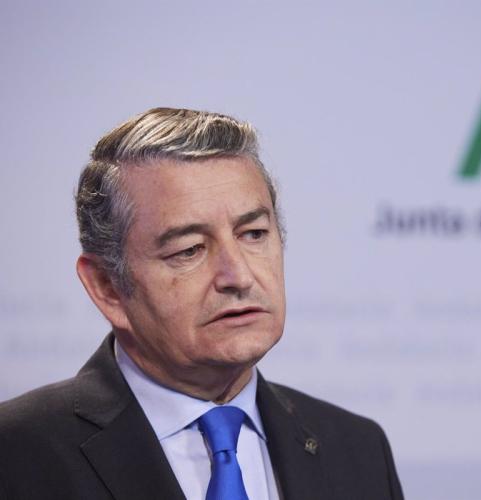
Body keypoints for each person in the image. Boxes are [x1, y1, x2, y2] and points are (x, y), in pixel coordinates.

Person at [0, 108, 404, 500]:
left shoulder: (358, 449)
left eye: (254, 234)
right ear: (107, 287)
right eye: (189, 249)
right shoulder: (16, 455)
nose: (239, 276)